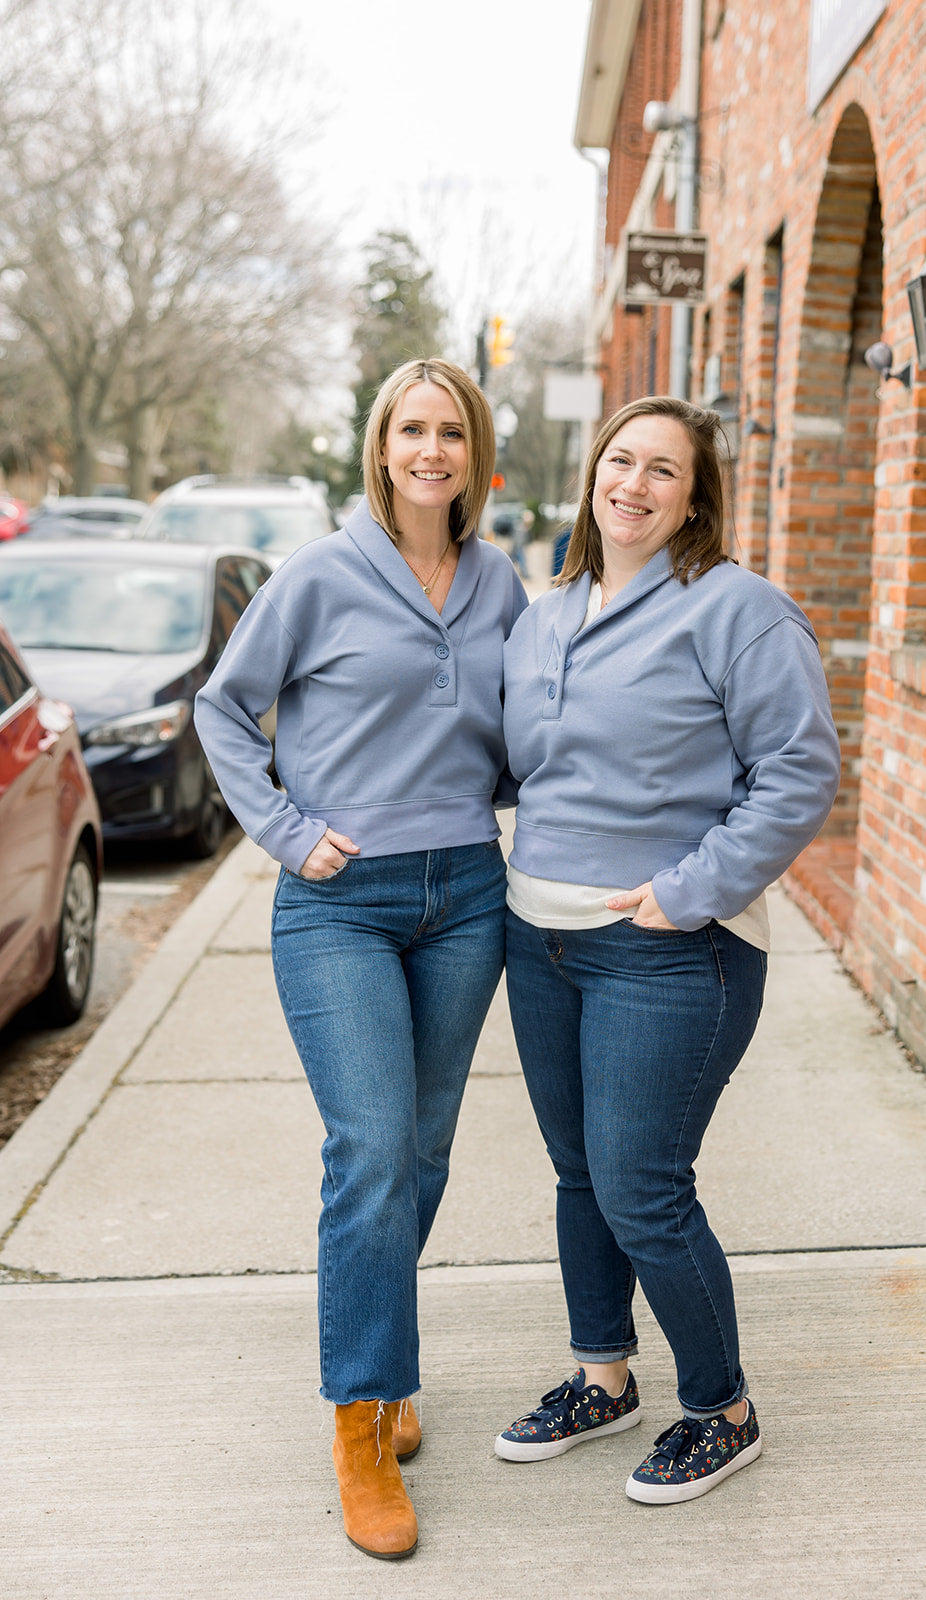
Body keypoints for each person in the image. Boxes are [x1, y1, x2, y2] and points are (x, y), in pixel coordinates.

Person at [194, 358, 527, 1560]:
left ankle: (382, 1365)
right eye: (409, 430)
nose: (429, 450)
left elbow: (528, 720)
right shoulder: (320, 574)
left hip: (466, 896)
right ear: (380, 446)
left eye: (449, 431)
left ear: (473, 452)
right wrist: (286, 829)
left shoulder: (498, 583)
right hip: (338, 902)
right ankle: (359, 1422)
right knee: (371, 1146)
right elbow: (225, 710)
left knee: (422, 1151)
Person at [493, 395, 840, 1505]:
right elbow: (524, 768)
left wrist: (685, 894)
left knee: (642, 1183)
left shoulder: (738, 611)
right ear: (593, 472)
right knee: (579, 1174)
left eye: (661, 470)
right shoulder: (543, 615)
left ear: (694, 497)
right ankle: (603, 1377)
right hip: (536, 937)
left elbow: (796, 772)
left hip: (666, 948)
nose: (632, 484)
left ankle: (720, 1409)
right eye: (618, 460)